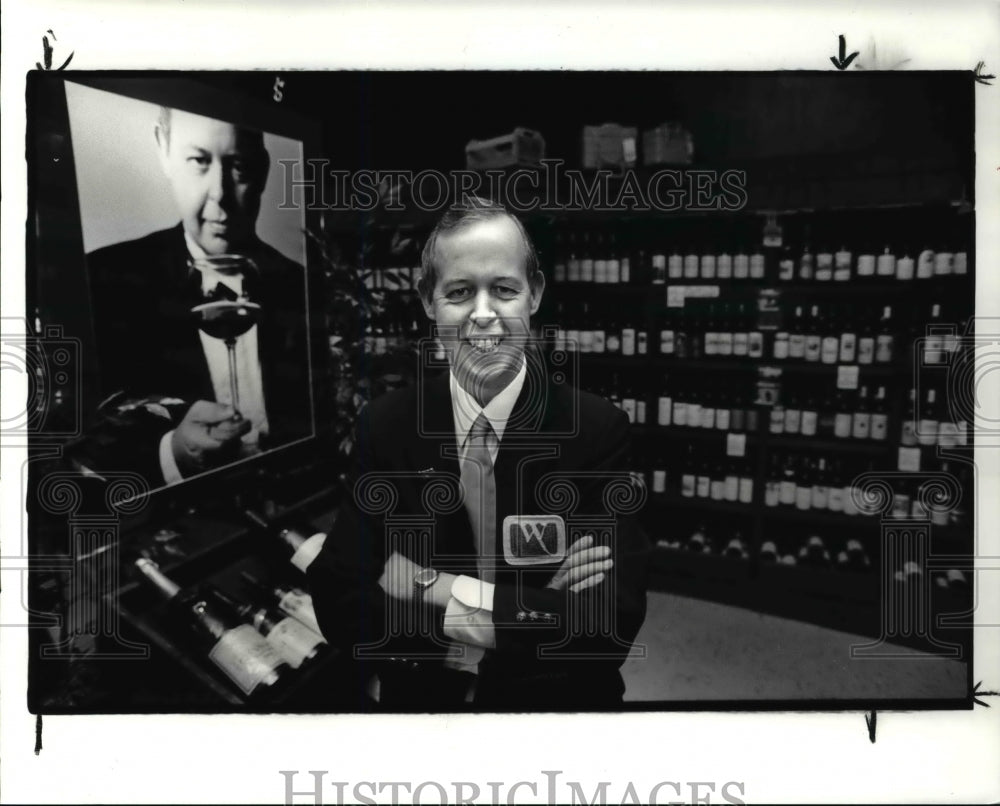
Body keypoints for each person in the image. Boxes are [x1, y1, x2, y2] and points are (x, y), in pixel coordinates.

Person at [308, 197, 650, 709]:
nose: (484, 315)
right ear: (428, 299)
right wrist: (536, 607)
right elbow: (339, 602)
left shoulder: (596, 430)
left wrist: (427, 585)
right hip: (424, 707)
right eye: (461, 291)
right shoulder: (386, 426)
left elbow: (608, 627)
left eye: (505, 290)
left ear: (533, 294)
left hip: (557, 707)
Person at [81, 106, 312, 486]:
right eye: (198, 161)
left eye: (238, 165)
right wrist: (172, 454)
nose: (219, 194)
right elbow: (80, 458)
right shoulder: (103, 280)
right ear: (163, 150)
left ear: (263, 170)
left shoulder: (303, 284)